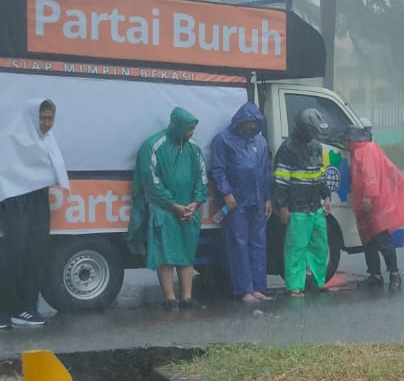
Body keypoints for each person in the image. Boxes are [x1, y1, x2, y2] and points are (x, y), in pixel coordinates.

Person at [0, 99, 69, 329]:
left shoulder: (46, 139)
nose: (46, 123)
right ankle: (3, 311)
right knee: (15, 254)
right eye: (42, 118)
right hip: (14, 203)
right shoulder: (9, 138)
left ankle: (27, 308)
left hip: (37, 200)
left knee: (37, 254)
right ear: (31, 117)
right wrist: (7, 192)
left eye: (50, 118)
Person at [134, 107, 209, 311]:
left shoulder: (194, 148)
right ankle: (170, 299)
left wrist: (195, 202)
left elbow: (202, 179)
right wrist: (174, 205)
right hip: (165, 210)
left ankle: (186, 298)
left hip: (189, 211)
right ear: (178, 126)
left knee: (187, 253)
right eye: (189, 128)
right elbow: (152, 182)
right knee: (165, 254)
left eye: (193, 128)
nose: (192, 133)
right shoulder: (153, 146)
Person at [210, 102, 273, 303]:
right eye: (249, 123)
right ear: (240, 121)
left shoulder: (261, 142)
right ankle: (244, 289)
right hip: (236, 201)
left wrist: (268, 197)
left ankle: (258, 287)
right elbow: (218, 170)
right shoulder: (223, 140)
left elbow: (265, 172)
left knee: (259, 243)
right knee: (239, 243)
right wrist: (226, 193)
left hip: (258, 199)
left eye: (255, 123)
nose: (252, 126)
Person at [348, 118, 404, 287]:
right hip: (368, 204)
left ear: (352, 139)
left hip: (374, 203)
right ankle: (375, 274)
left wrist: (367, 197)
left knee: (382, 238)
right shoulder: (364, 149)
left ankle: (394, 274)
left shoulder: (364, 151)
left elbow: (370, 176)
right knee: (369, 240)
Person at [273, 107, 335, 296]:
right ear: (304, 128)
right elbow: (280, 181)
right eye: (313, 131)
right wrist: (282, 207)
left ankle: (319, 280)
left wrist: (326, 197)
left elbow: (321, 173)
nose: (315, 135)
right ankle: (295, 286)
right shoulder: (287, 149)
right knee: (296, 248)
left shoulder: (316, 146)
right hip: (297, 207)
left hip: (315, 205)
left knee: (320, 245)